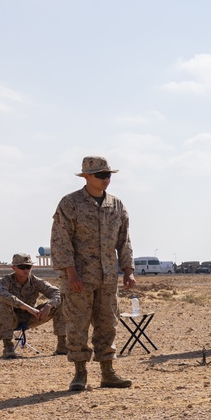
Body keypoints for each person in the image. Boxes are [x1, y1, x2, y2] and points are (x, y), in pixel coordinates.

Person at [50, 156, 135, 391]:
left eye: (108, 175)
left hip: (108, 277)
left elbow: (124, 240)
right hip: (79, 277)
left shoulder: (116, 205)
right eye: (100, 175)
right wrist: (71, 273)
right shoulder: (70, 204)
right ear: (86, 176)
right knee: (78, 324)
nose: (106, 179)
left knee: (108, 323)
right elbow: (60, 240)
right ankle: (80, 374)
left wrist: (128, 270)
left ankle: (108, 373)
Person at [0, 253, 64, 359]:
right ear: (14, 268)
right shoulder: (4, 281)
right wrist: (27, 307)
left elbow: (57, 293)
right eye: (21, 267)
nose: (26, 270)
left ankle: (62, 345)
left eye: (28, 267)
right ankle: (8, 347)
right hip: (11, 318)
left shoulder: (35, 281)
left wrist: (49, 306)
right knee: (3, 304)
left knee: (59, 304)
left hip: (30, 317)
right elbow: (2, 295)